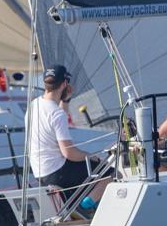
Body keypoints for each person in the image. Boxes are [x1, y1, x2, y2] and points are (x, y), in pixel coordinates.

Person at [27, 65, 111, 207]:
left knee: (93, 170)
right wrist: (91, 156)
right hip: (57, 172)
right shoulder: (56, 113)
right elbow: (69, 153)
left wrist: (65, 101)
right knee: (111, 173)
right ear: (65, 83)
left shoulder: (33, 105)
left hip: (40, 172)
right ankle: (86, 206)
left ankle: (88, 203)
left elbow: (56, 119)